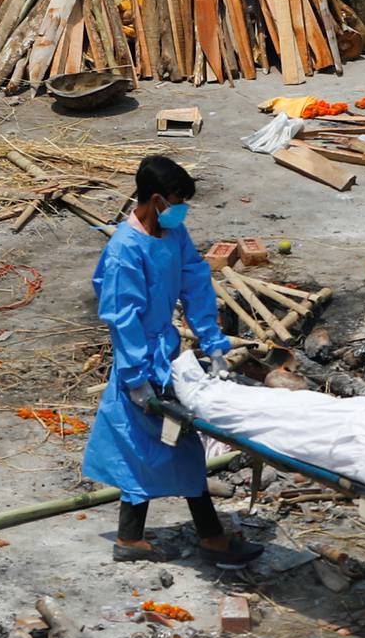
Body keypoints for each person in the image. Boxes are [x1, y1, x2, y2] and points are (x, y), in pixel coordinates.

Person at [82, 156, 265, 567]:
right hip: (139, 359)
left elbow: (195, 280)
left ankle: (133, 539)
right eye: (178, 201)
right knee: (171, 445)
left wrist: (213, 341)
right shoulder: (124, 251)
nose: (182, 210)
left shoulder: (173, 232)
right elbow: (121, 315)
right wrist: (134, 376)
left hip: (165, 354)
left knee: (150, 448)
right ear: (156, 199)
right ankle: (210, 537)